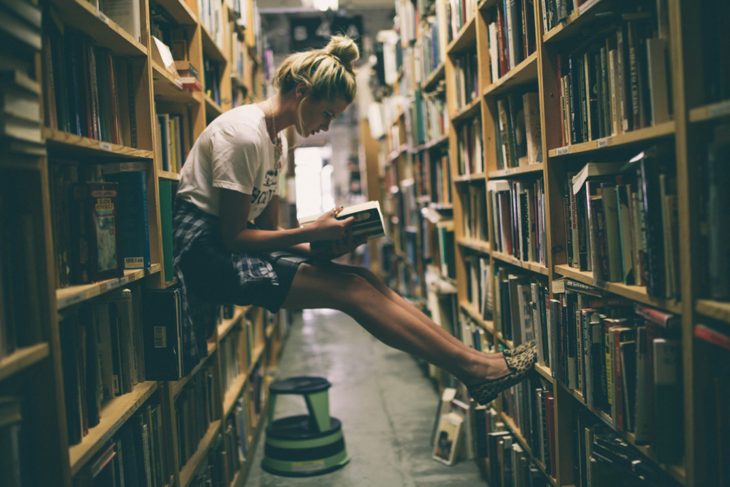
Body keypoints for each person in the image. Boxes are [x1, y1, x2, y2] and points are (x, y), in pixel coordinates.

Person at [174, 35, 535, 405]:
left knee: (364, 277)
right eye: (327, 113)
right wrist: (310, 233)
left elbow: (269, 233)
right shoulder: (244, 135)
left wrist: (322, 247)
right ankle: (475, 371)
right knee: (352, 292)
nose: (326, 126)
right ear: (302, 92)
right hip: (204, 253)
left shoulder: (274, 141)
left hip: (229, 244)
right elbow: (233, 237)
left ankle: (475, 361)